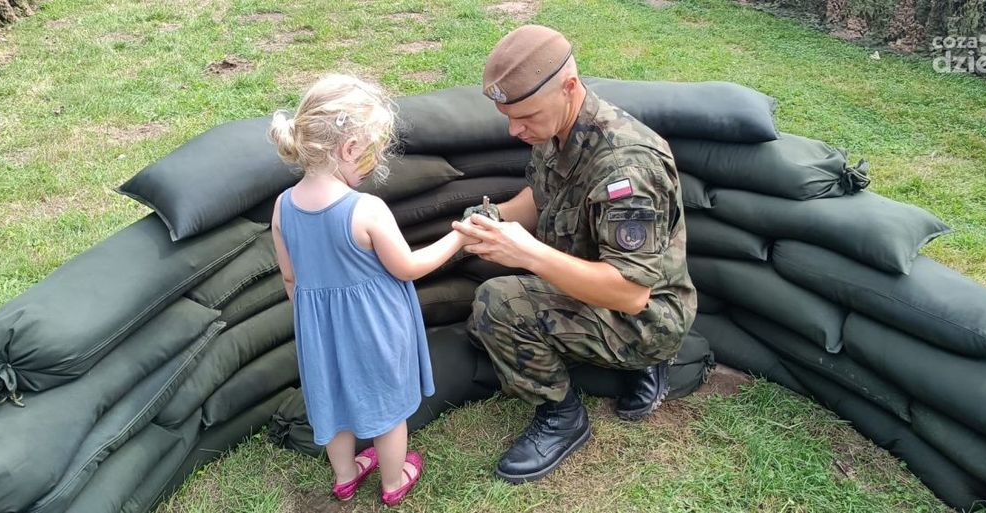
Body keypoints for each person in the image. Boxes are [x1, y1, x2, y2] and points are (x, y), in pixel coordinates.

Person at [452, 25, 698, 484]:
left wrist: (527, 254)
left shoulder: (628, 166)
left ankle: (564, 416)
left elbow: (630, 293)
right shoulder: (557, 126)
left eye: (524, 116)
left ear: (568, 86)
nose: (513, 129)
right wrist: (493, 217)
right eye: (508, 116)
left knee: (497, 305)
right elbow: (542, 196)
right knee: (483, 317)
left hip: (643, 317)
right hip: (582, 283)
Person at [268, 74, 476, 505]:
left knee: (332, 402)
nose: (372, 162)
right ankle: (393, 479)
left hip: (319, 334)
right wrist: (459, 236)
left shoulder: (283, 205)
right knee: (388, 409)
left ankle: (344, 476)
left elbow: (291, 278)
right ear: (348, 149)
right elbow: (409, 267)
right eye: (371, 154)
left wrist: (314, 319)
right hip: (375, 331)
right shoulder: (365, 209)